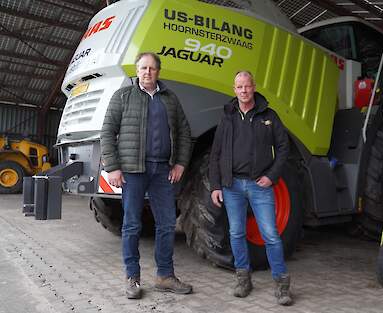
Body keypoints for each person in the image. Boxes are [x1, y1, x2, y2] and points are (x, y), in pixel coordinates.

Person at [100, 52, 192, 299]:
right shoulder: (123, 96)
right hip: (133, 171)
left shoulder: (170, 99)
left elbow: (184, 133)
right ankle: (133, 277)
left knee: (166, 223)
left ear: (158, 71)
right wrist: (113, 167)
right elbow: (107, 132)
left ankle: (164, 275)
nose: (147, 72)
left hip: (163, 170)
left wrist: (180, 164)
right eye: (143, 68)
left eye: (152, 68)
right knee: (131, 224)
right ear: (137, 70)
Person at [209, 71, 293, 306]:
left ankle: (281, 284)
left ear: (254, 87)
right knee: (236, 233)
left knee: (271, 235)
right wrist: (216, 185)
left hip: (260, 186)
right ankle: (243, 279)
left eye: (247, 86)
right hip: (232, 186)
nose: (243, 91)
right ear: (234, 90)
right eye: (239, 87)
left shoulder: (269, 116)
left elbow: (284, 148)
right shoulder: (227, 117)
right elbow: (215, 154)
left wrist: (271, 176)